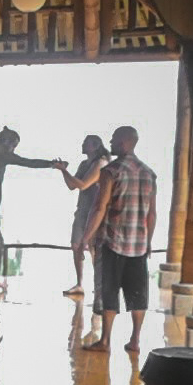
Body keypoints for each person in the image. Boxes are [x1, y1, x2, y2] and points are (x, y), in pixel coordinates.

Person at [81, 125, 159, 354]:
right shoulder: (148, 173)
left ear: (125, 142)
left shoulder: (111, 171)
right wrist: (149, 241)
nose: (111, 142)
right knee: (138, 293)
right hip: (139, 243)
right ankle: (135, 340)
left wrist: (87, 237)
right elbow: (152, 213)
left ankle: (105, 341)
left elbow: (99, 207)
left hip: (113, 241)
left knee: (110, 291)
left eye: (114, 139)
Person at [0, 128, 63, 294]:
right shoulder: (3, 155)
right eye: (14, 145)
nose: (14, 149)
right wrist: (51, 164)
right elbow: (29, 162)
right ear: (6, 143)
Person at [55, 134, 113, 296]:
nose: (82, 145)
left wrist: (64, 170)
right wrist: (64, 171)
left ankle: (100, 285)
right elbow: (72, 186)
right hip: (82, 210)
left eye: (85, 143)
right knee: (76, 245)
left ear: (95, 146)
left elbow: (83, 185)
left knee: (94, 248)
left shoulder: (101, 163)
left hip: (96, 211)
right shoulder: (83, 164)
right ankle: (79, 283)